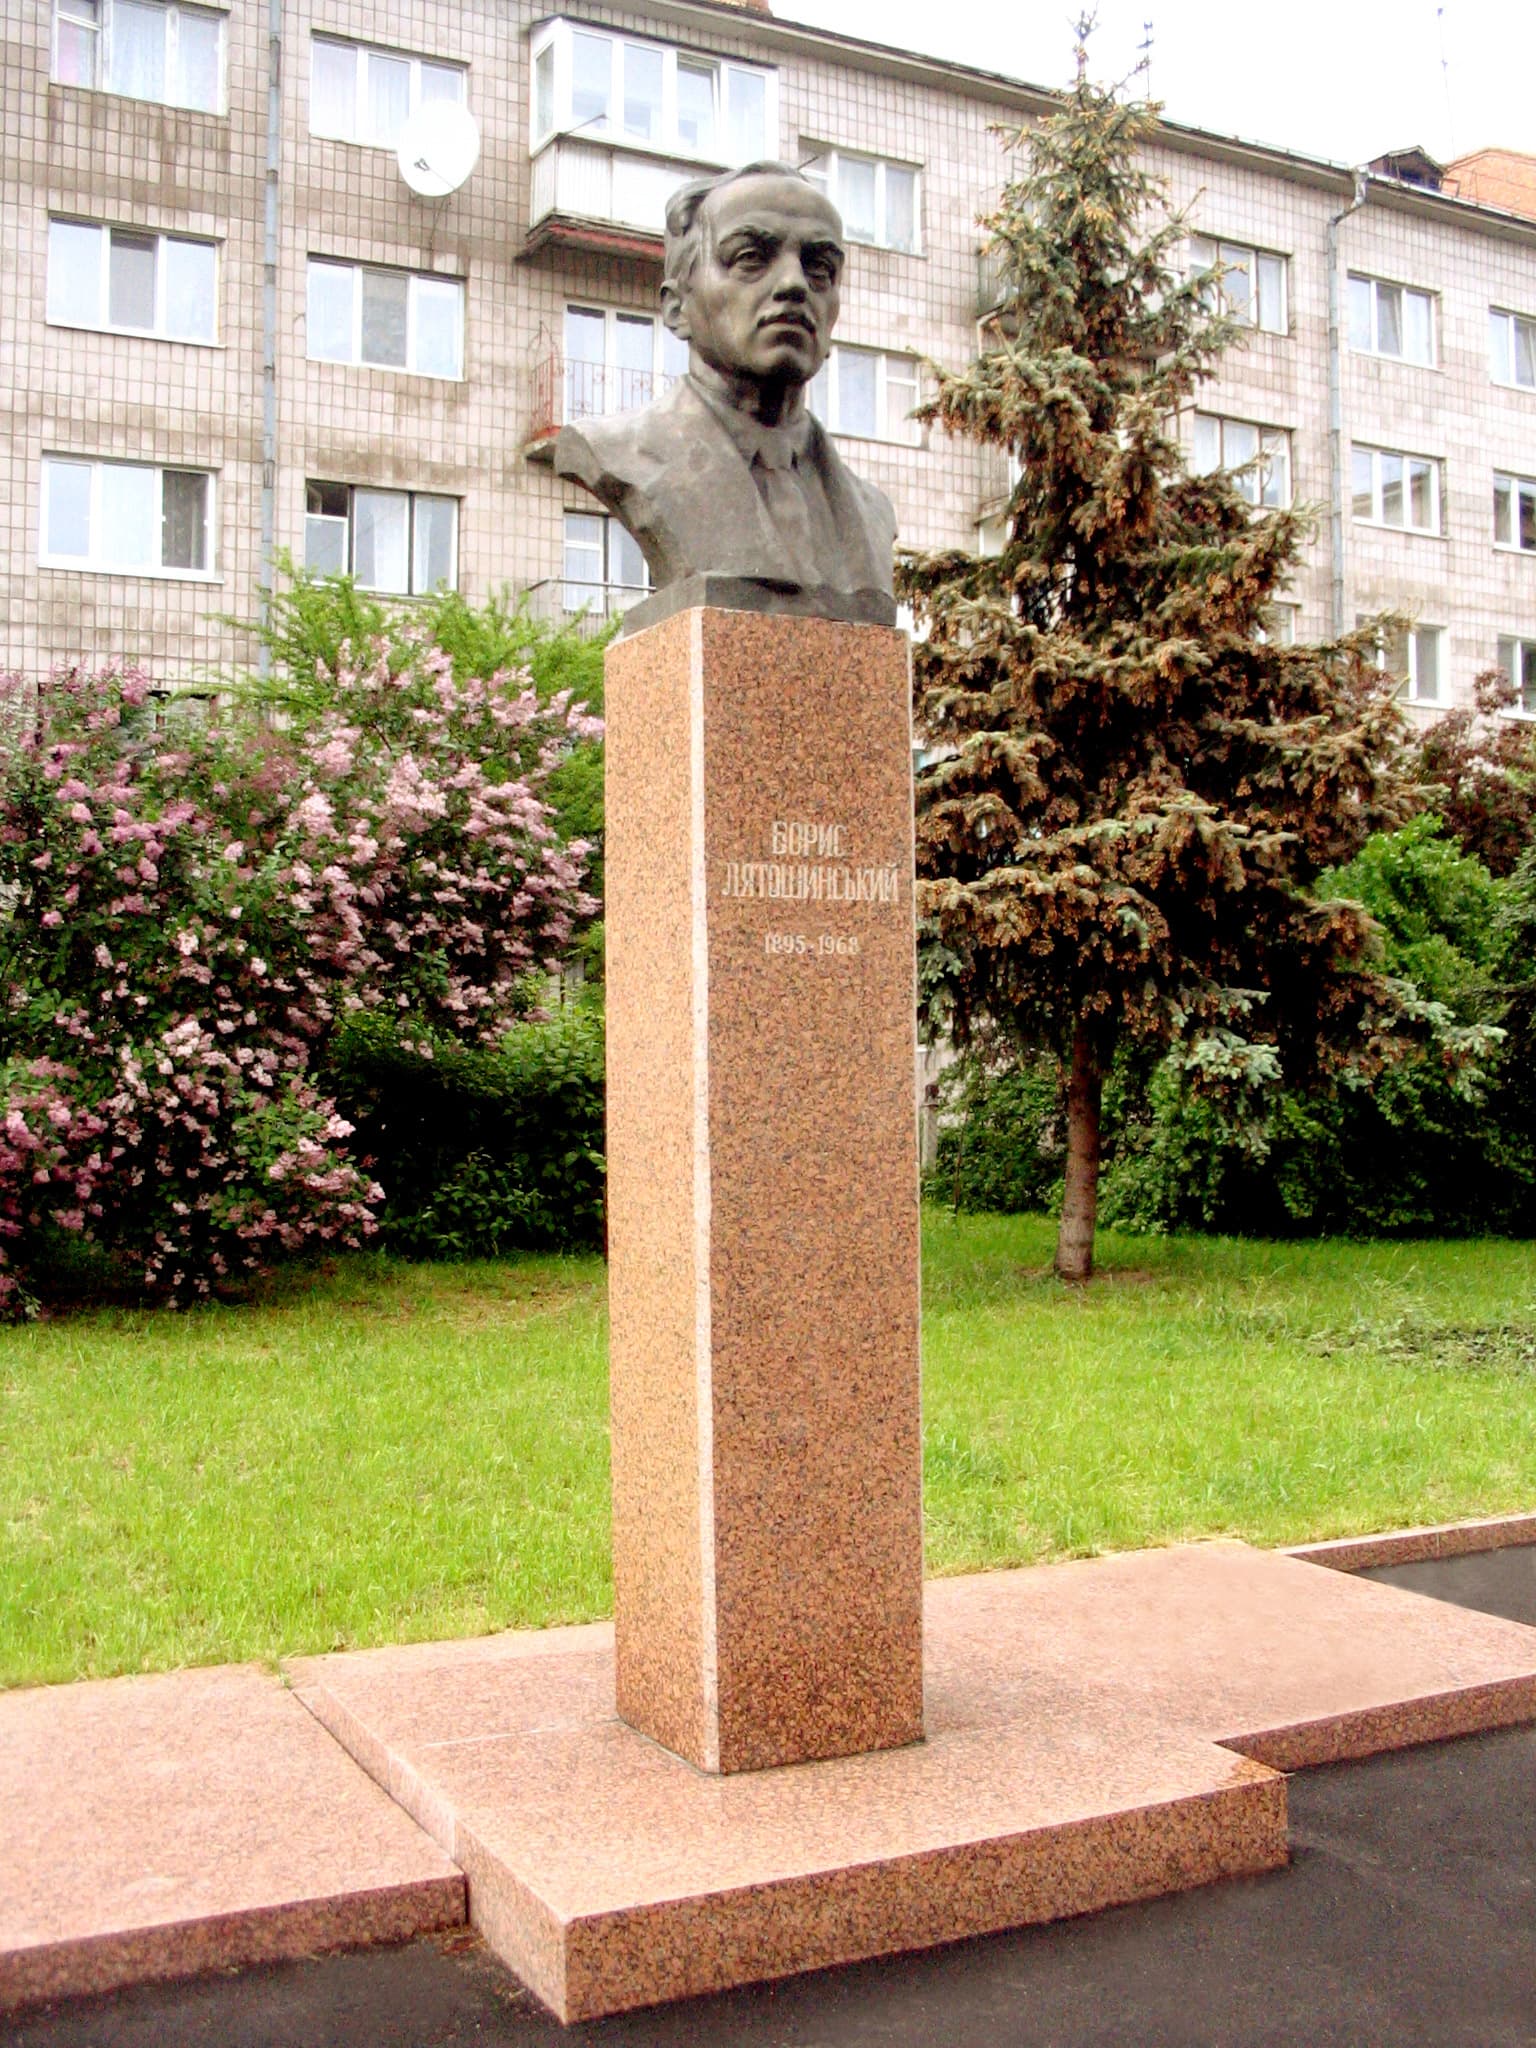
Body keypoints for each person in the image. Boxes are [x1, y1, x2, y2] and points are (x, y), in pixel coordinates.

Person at [553, 162, 896, 608]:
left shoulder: (871, 511)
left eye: (820, 268)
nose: (794, 284)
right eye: (750, 258)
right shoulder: (621, 453)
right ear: (678, 308)